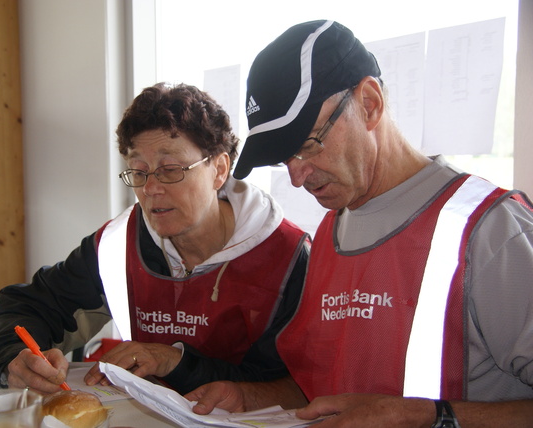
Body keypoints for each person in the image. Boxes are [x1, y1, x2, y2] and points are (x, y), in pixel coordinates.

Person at [185, 20, 533, 427]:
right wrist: (247, 397)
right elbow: (321, 388)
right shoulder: (330, 235)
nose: (296, 177)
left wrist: (427, 417)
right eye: (284, 159)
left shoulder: (489, 231)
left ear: (369, 103)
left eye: (308, 144)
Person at [0, 83, 310, 395]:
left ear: (219, 170)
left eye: (170, 169)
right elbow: (21, 310)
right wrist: (14, 359)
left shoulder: (287, 258)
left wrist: (176, 363)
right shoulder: (119, 245)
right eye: (138, 171)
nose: (150, 189)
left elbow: (296, 386)